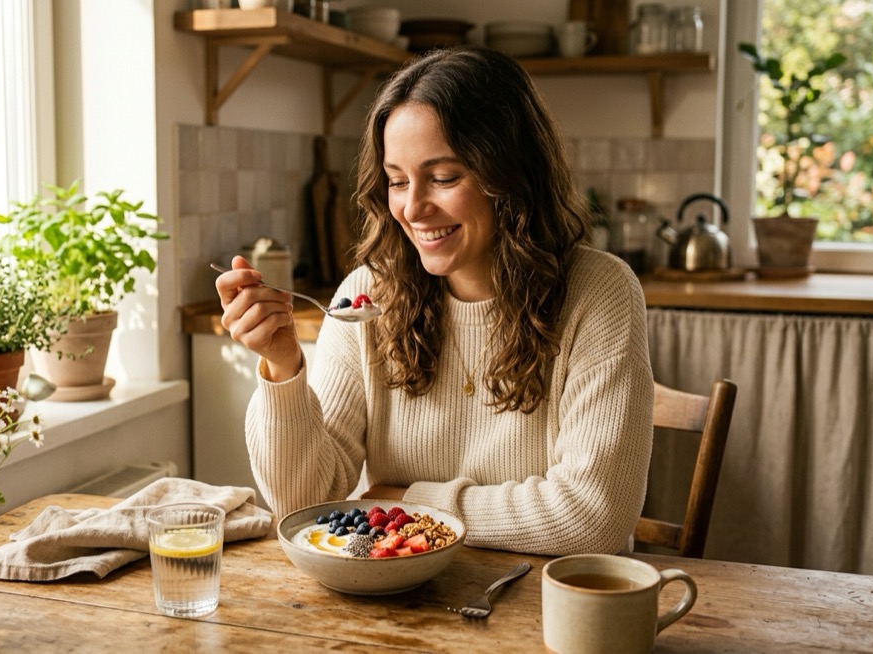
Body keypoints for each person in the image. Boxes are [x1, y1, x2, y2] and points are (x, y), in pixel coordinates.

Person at [214, 46, 653, 556]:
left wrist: (406, 503)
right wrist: (283, 365)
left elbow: (591, 517)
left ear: (510, 176)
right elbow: (303, 504)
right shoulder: (366, 295)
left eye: (444, 178)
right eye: (397, 180)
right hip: (404, 607)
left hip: (549, 610)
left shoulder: (599, 292)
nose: (413, 207)